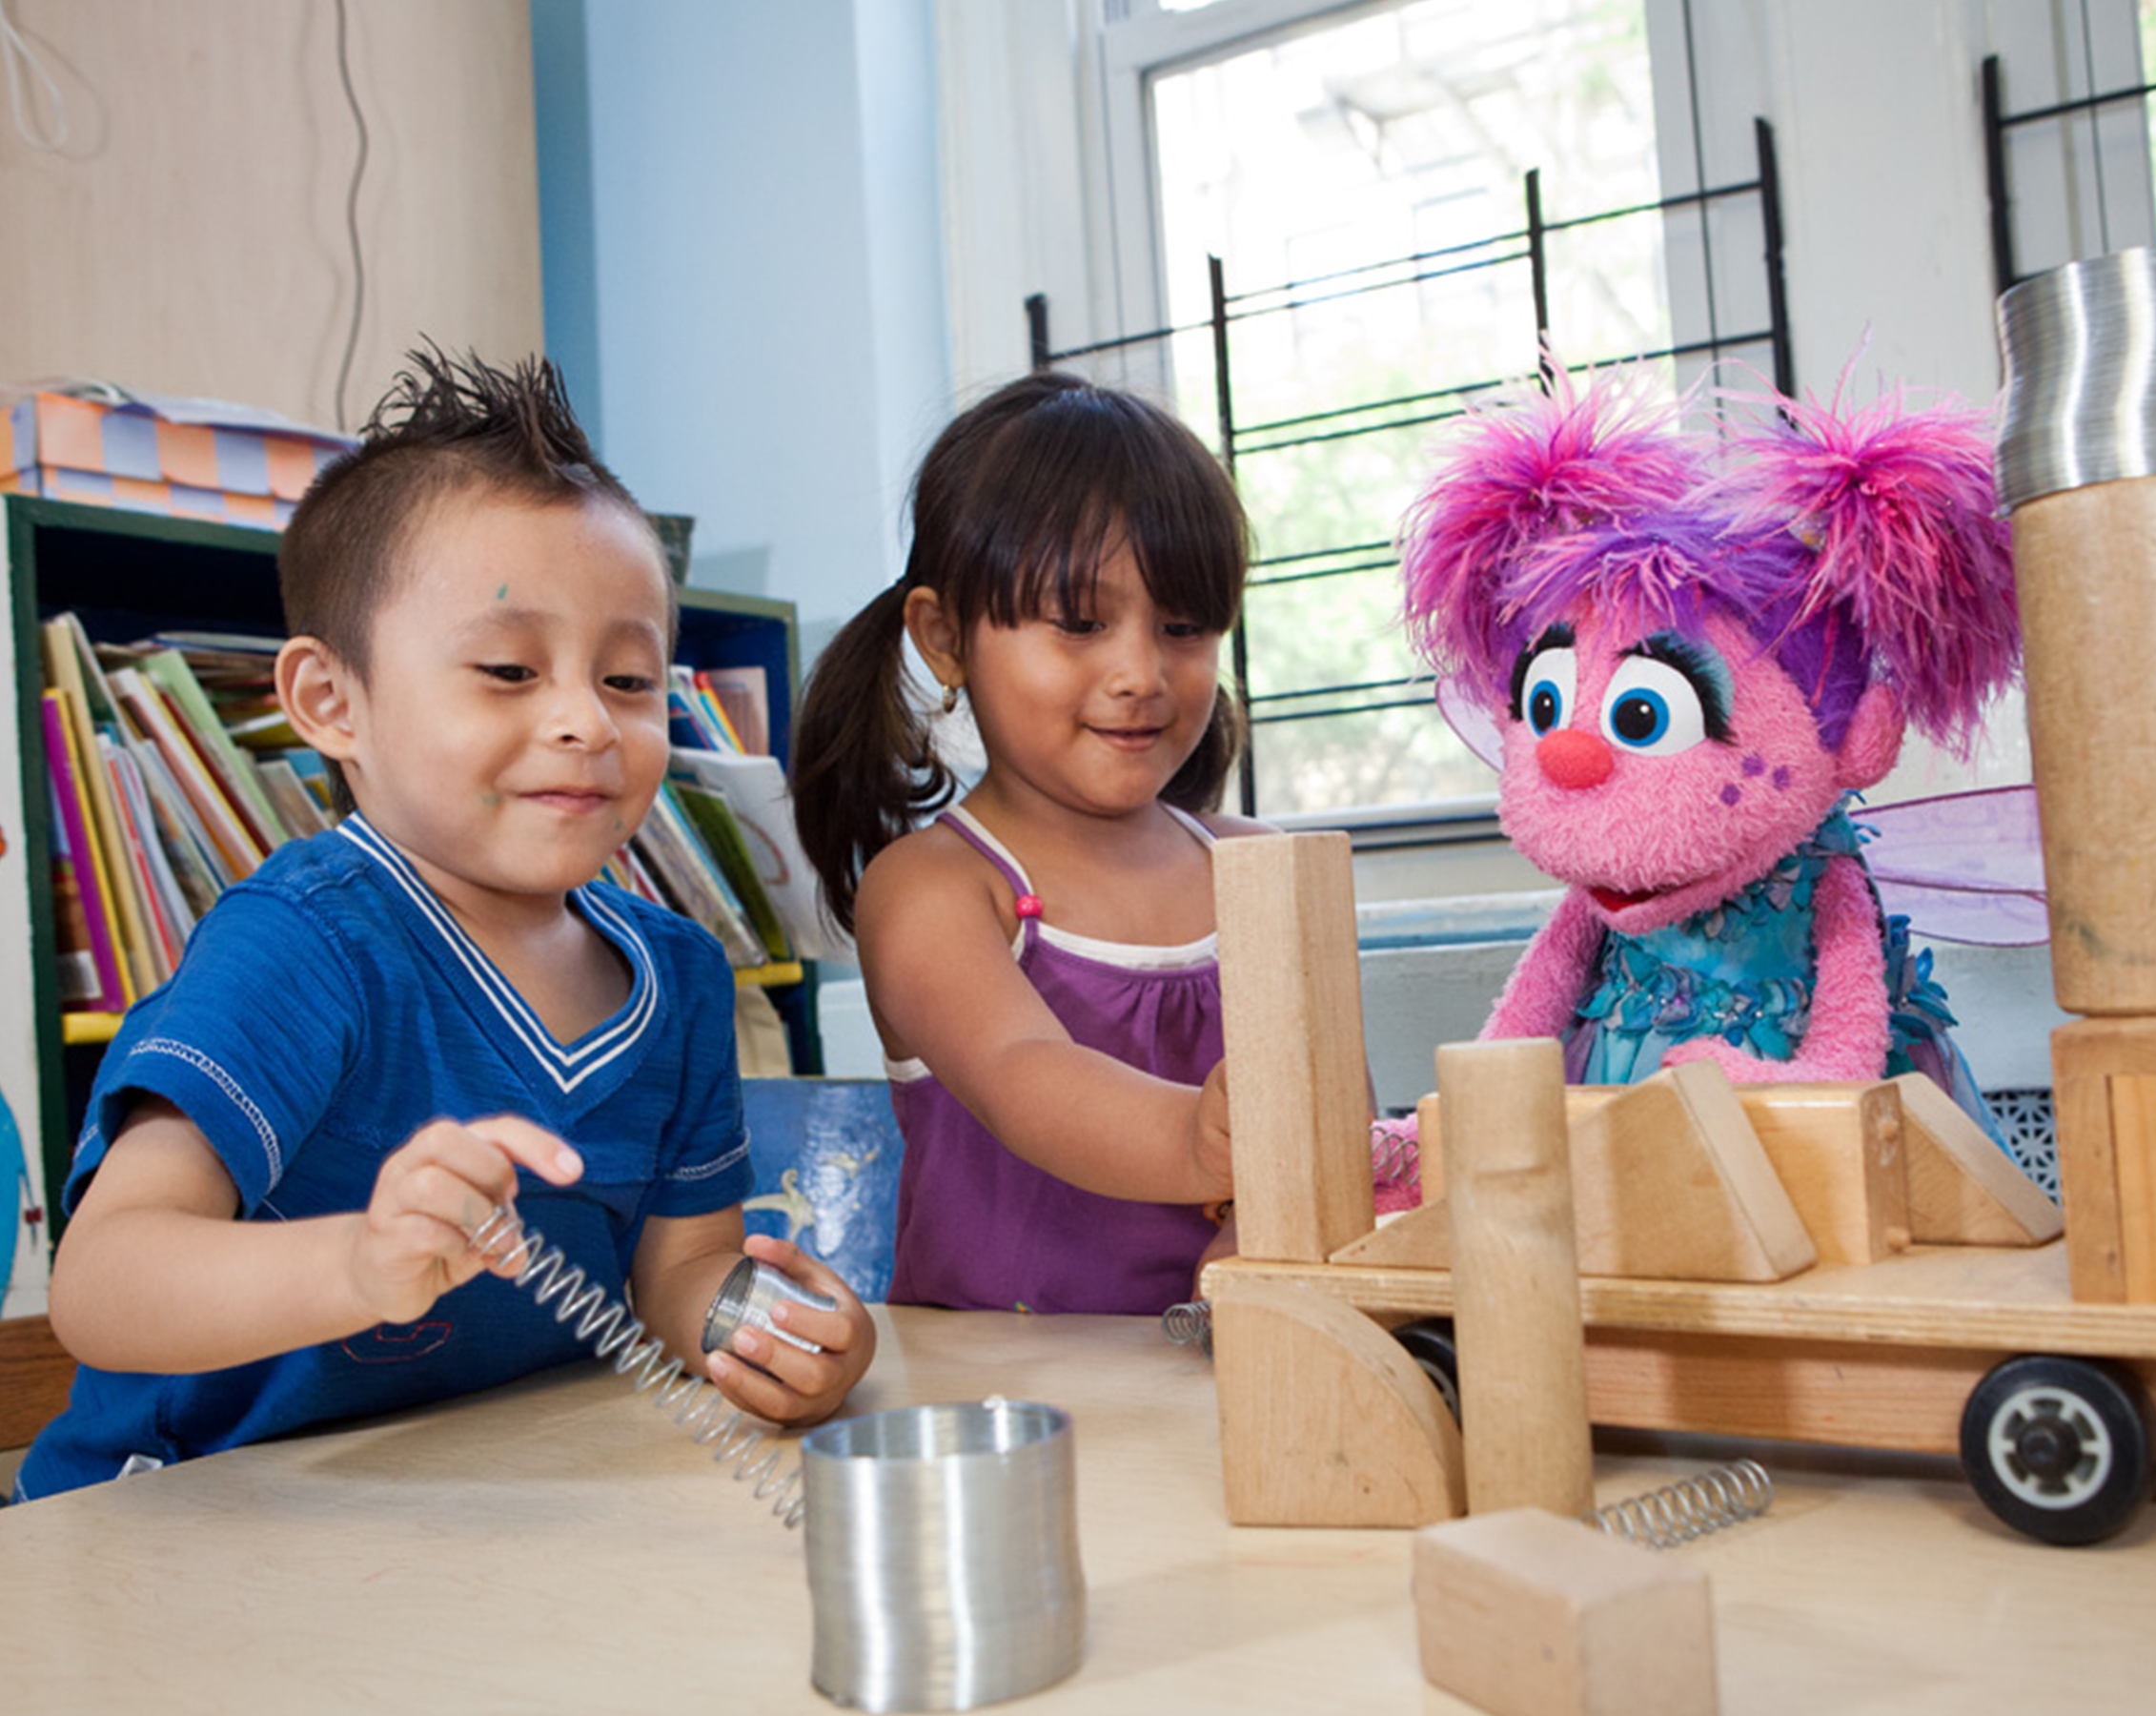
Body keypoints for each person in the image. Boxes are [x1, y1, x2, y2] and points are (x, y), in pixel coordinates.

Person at [16, 350, 874, 1502]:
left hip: (476, 1501)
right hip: (186, 1514)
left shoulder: (678, 974)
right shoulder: (305, 944)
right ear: (332, 703)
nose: (584, 720)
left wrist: (764, 1331)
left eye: (628, 681)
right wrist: (358, 1262)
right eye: (510, 669)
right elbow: (102, 1286)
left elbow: (683, 1268)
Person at [793, 371, 1261, 1316]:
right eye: (1080, 624)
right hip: (997, 1403)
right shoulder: (932, 889)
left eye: (1183, 627)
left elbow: (1329, 1115)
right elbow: (1024, 1078)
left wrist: (1270, 1224)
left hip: (1234, 1380)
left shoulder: (1255, 868)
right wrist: (1211, 1143)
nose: (1140, 672)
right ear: (944, 637)